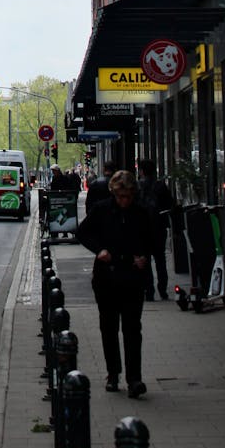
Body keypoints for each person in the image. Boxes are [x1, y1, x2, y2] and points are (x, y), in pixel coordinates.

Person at [77, 169, 154, 400]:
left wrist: (144, 256)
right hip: (107, 277)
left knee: (132, 329)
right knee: (108, 327)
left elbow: (151, 238)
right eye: (121, 197)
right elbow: (82, 232)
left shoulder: (140, 213)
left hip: (132, 277)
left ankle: (134, 379)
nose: (124, 201)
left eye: (128, 197)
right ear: (114, 193)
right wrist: (99, 249)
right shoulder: (102, 210)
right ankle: (113, 374)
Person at [137, 158, 175, 300]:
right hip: (158, 227)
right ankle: (163, 290)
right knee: (160, 260)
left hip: (143, 229)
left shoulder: (138, 187)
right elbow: (169, 204)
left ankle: (149, 291)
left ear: (141, 171)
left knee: (145, 261)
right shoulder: (160, 186)